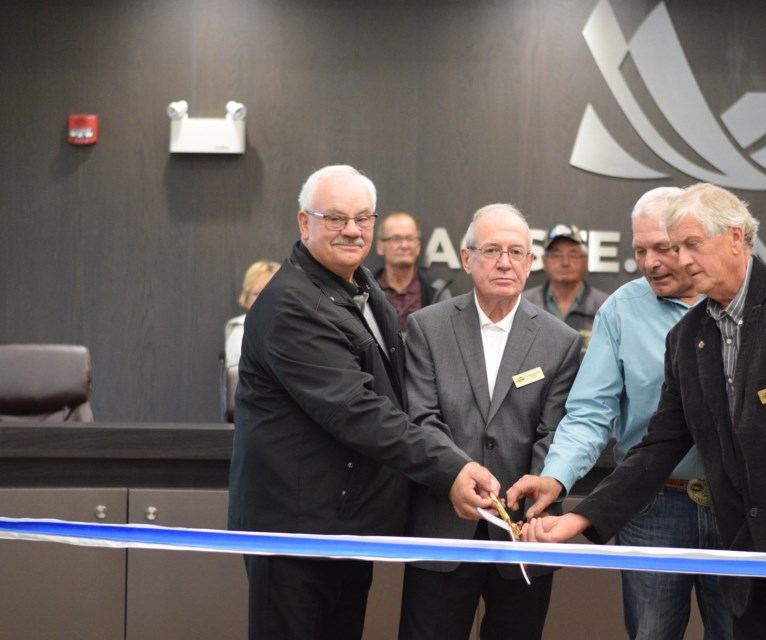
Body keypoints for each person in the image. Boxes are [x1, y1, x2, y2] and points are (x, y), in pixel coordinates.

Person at [523, 183, 766, 640]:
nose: (681, 259)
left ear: (734, 237)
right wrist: (579, 518)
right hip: (751, 558)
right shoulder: (688, 339)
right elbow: (660, 444)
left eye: (691, 244)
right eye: (675, 247)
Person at [227, 165, 500, 640]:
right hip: (294, 538)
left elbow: (396, 392)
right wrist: (450, 467)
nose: (352, 230)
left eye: (362, 218)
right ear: (303, 223)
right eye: (334, 218)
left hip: (345, 528)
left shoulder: (363, 289)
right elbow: (359, 411)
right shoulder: (292, 305)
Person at [508, 187, 732, 640]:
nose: (650, 262)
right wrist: (556, 476)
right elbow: (590, 412)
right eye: (640, 250)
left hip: (739, 503)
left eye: (664, 248)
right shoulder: (622, 310)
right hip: (653, 505)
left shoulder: (738, 307)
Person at [398, 204, 583, 640]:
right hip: (443, 527)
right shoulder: (426, 327)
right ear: (467, 259)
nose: (505, 262)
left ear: (530, 262)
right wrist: (456, 474)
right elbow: (421, 418)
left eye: (517, 252)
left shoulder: (561, 341)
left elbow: (553, 431)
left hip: (524, 532)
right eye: (493, 250)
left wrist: (535, 499)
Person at [524, 223, 608, 349]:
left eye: (573, 255)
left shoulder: (606, 307)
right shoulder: (524, 305)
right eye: (556, 255)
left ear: (585, 261)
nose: (565, 263)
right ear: (544, 261)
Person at [374, 211, 453, 333]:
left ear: (418, 246)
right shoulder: (365, 290)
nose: (404, 245)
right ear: (380, 247)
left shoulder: (436, 292)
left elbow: (443, 339)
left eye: (410, 238)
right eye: (396, 239)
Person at [224, 260, 280, 368]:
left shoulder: (293, 326)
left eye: (268, 294)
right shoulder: (239, 330)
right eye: (256, 294)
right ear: (247, 296)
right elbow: (236, 378)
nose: (262, 300)